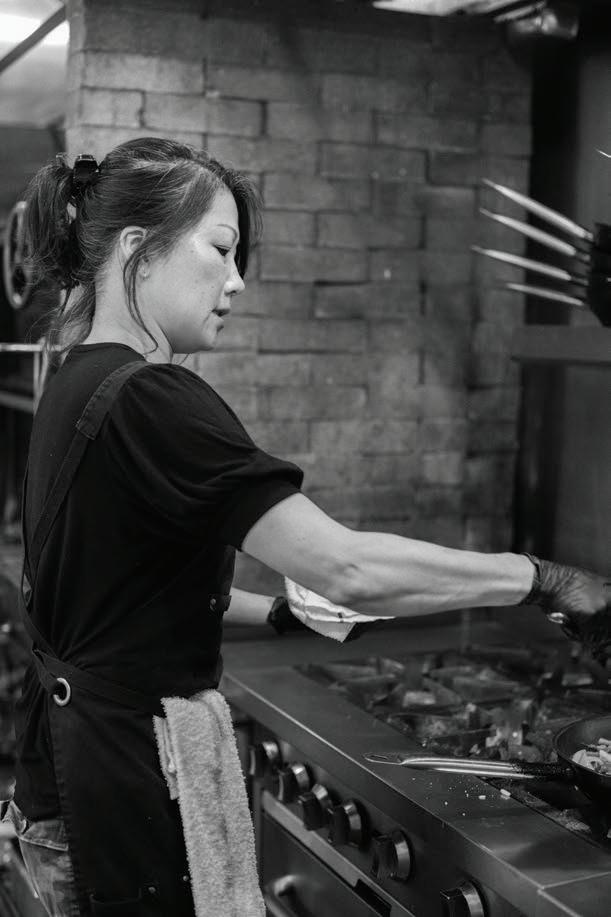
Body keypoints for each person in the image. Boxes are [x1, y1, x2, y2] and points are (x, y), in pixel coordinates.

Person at [3, 137, 608, 917]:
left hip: (61, 788)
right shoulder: (152, 399)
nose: (236, 280)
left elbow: (120, 588)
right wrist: (545, 578)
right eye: (220, 249)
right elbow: (345, 566)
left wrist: (279, 615)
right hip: (111, 801)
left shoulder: (75, 378)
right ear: (137, 249)